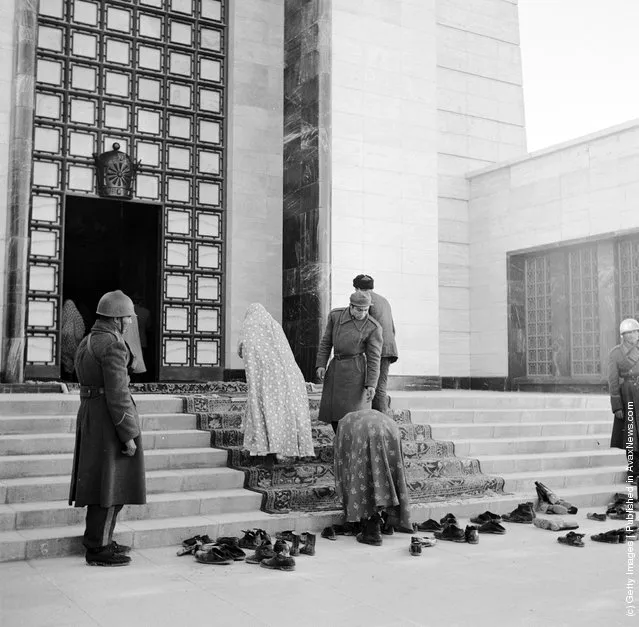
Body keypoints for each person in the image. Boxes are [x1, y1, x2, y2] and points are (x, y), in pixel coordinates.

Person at [69, 290, 146, 567]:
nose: (129, 322)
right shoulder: (114, 344)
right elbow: (118, 393)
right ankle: (98, 549)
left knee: (101, 483)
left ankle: (101, 540)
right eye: (127, 318)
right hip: (109, 419)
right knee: (111, 486)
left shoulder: (89, 340)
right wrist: (128, 433)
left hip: (91, 415)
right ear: (118, 319)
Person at [238, 303, 315, 461]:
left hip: (264, 377)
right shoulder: (274, 325)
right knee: (283, 411)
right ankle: (286, 448)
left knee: (266, 408)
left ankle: (265, 447)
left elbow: (242, 349)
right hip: (287, 376)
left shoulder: (249, 325)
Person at [334, 409, 412, 546]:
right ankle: (388, 522)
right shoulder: (352, 418)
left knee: (363, 472)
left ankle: (371, 527)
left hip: (367, 430)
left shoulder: (343, 425)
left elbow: (343, 462)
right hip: (391, 427)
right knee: (390, 469)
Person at [315, 291, 383, 433]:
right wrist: (321, 364)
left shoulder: (373, 327)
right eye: (359, 309)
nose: (363, 313)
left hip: (356, 372)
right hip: (335, 369)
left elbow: (374, 359)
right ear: (351, 306)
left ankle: (350, 446)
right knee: (334, 413)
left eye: (366, 309)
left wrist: (371, 384)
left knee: (353, 414)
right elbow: (326, 342)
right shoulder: (336, 316)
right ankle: (340, 443)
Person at [353, 274, 398, 413]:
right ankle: (381, 424)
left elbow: (363, 328)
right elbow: (392, 327)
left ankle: (380, 424)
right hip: (389, 348)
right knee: (381, 386)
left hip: (377, 349)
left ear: (358, 288)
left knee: (375, 388)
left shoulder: (365, 300)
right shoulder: (384, 300)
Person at [608, 318, 639, 501]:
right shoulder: (616, 354)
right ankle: (633, 471)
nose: (635, 335)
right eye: (632, 332)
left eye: (637, 332)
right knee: (630, 434)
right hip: (626, 394)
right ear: (624, 336)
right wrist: (617, 405)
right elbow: (612, 381)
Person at [60, 298, 86, 379]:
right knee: (76, 360)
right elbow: (81, 328)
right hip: (75, 343)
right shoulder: (77, 315)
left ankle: (69, 375)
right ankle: (75, 376)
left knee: (66, 360)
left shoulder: (63, 313)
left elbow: (58, 324)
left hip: (64, 343)